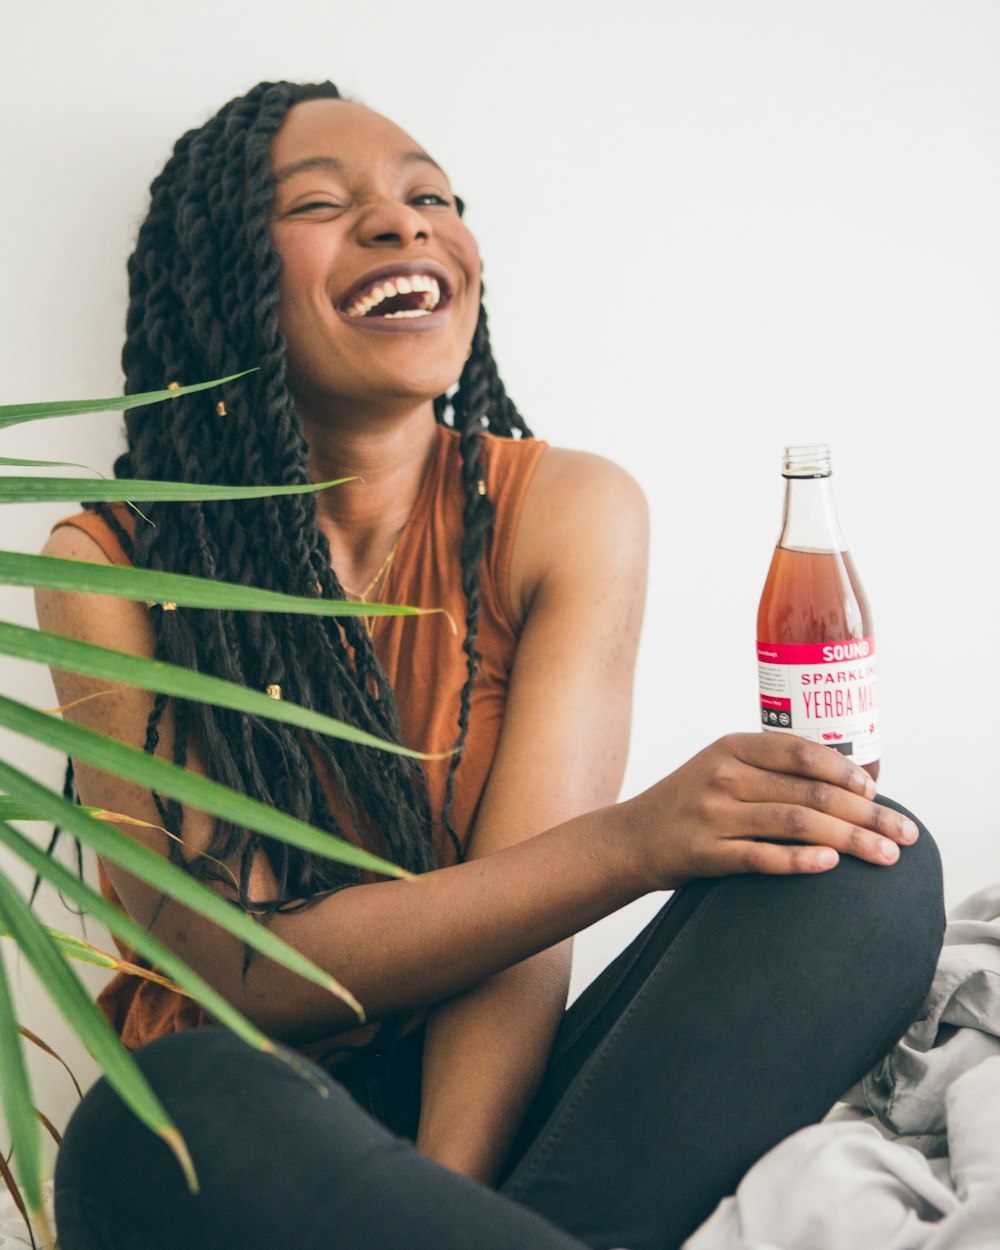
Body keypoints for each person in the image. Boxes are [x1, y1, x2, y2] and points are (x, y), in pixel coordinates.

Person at [37, 81, 944, 1250]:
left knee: (857, 861)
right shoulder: (108, 566)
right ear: (223, 279)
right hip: (241, 1145)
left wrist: (448, 1200)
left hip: (507, 1124)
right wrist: (634, 840)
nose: (404, 222)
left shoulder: (564, 508)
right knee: (172, 1098)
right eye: (322, 201)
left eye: (431, 197)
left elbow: (526, 916)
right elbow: (237, 968)